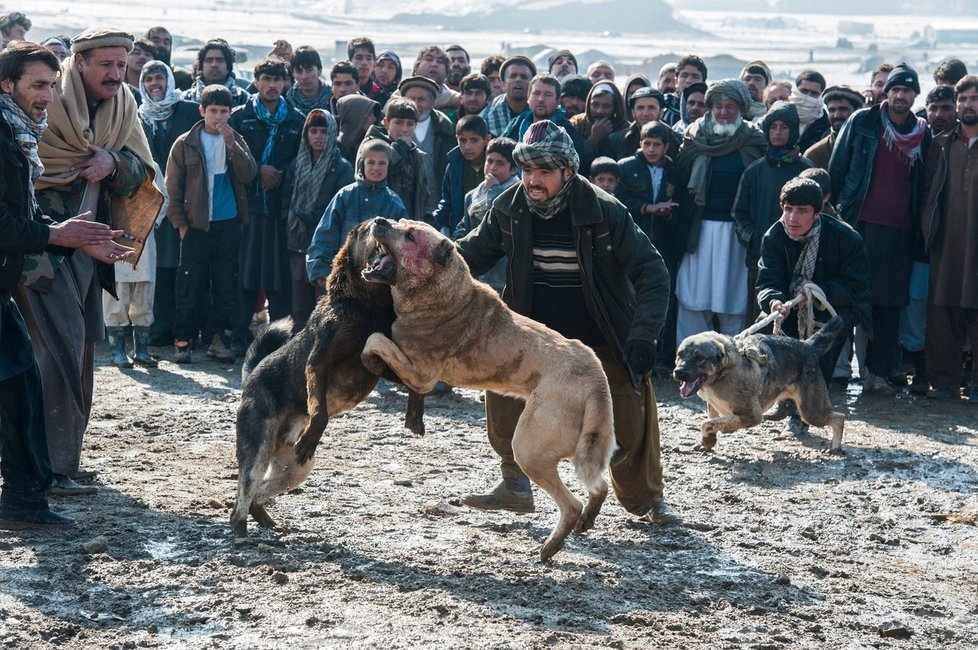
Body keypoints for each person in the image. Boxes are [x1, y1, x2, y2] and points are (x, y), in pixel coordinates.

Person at [455, 120, 679, 526]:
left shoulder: (605, 212)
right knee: (503, 402)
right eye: (527, 171)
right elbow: (468, 256)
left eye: (543, 171)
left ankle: (647, 502)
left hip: (602, 335)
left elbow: (652, 272)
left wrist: (644, 334)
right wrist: (424, 258)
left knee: (628, 421)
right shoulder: (508, 208)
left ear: (568, 172)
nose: (533, 180)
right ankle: (515, 484)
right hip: (532, 336)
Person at [20, 28, 163, 494]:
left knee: (79, 348)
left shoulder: (122, 107)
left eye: (122, 65)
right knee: (53, 351)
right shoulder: (46, 105)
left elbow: (144, 168)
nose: (116, 74)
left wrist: (113, 165)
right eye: (106, 64)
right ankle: (46, 467)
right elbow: (25, 178)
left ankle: (64, 460)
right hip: (41, 254)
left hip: (90, 251)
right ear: (79, 62)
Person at [0, 41, 133, 528]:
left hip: (11, 277)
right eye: (37, 86)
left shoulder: (18, 134)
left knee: (21, 386)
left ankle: (24, 501)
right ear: (5, 84)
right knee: (24, 382)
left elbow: (20, 216)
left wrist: (75, 241)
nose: (47, 98)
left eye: (52, 87)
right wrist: (58, 234)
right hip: (16, 276)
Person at [829, 62, 930, 395]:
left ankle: (878, 374)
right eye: (896, 89)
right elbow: (838, 169)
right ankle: (834, 370)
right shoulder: (863, 121)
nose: (901, 96)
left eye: (907, 90)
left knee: (888, 306)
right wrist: (837, 217)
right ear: (886, 93)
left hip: (901, 230)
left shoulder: (922, 131)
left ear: (916, 95)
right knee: (848, 298)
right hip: (859, 224)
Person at [166, 85, 257, 363]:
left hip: (228, 224)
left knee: (224, 285)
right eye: (213, 111)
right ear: (202, 111)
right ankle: (183, 341)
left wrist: (232, 145)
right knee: (189, 284)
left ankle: (219, 339)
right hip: (195, 226)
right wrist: (181, 224)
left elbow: (249, 174)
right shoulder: (185, 142)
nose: (218, 117)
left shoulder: (236, 138)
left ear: (230, 113)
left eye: (224, 112)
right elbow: (173, 188)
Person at [674, 79, 766, 342]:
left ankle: (735, 364)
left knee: (734, 300)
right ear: (710, 108)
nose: (724, 112)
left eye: (730, 106)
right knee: (693, 298)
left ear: (741, 108)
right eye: (718, 106)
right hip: (698, 231)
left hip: (737, 236)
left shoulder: (754, 140)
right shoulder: (694, 137)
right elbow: (680, 180)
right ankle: (689, 358)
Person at [756, 178, 870, 382]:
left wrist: (819, 290)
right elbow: (767, 282)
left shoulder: (846, 239)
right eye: (788, 209)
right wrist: (774, 301)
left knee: (825, 336)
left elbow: (857, 287)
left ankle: (815, 398)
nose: (792, 218)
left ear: (817, 213)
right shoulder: (773, 237)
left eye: (802, 210)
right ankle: (778, 394)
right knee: (763, 332)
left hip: (833, 307)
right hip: (787, 305)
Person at [229, 57, 304, 351]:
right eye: (266, 79)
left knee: (280, 278)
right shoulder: (240, 118)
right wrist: (259, 169)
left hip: (282, 209)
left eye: (278, 79)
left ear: (286, 83)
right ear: (257, 81)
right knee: (246, 274)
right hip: (247, 207)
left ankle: (280, 342)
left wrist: (279, 172)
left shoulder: (296, 119)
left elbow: (301, 158)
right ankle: (238, 338)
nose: (272, 85)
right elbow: (232, 155)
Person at [921, 75, 978, 400]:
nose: (968, 105)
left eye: (974, 98)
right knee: (942, 313)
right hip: (947, 243)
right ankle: (944, 382)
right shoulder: (942, 144)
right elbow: (926, 192)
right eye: (963, 99)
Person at [733, 101, 813, 324]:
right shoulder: (754, 170)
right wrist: (754, 238)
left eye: (784, 127)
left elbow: (819, 214)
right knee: (759, 317)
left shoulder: (805, 169)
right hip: (760, 258)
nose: (777, 133)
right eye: (773, 127)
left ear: (794, 130)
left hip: (799, 257)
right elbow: (739, 213)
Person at [615, 120, 685, 370]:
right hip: (632, 240)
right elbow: (619, 200)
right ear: (640, 143)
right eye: (647, 143)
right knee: (629, 296)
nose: (651, 149)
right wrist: (647, 208)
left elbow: (681, 208)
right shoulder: (626, 167)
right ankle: (626, 353)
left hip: (663, 243)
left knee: (661, 297)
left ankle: (660, 358)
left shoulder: (675, 171)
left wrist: (668, 213)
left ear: (666, 146)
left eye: (657, 144)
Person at [281, 109, 354, 329]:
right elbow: (285, 202)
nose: (318, 136)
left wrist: (314, 220)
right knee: (299, 304)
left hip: (325, 246)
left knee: (323, 302)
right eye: (313, 131)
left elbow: (341, 211)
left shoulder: (341, 167)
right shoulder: (296, 164)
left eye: (324, 131)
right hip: (297, 243)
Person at [305, 139, 407, 286]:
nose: (376, 168)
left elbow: (402, 244)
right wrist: (320, 270)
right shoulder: (344, 196)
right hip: (345, 276)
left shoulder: (394, 202)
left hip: (381, 281)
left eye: (382, 163)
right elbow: (325, 235)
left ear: (389, 166)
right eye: (371, 162)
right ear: (361, 164)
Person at [501, 74, 593, 174]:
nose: (541, 99)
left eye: (548, 94)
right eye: (536, 93)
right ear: (528, 97)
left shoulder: (567, 132)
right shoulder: (516, 124)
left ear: (558, 100)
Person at [362, 98, 429, 221]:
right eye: (399, 123)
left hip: (406, 223)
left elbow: (422, 194)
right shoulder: (371, 146)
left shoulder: (415, 154)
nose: (404, 129)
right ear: (386, 123)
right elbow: (371, 178)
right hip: (378, 220)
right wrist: (399, 148)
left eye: (410, 124)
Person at [400, 75, 455, 217]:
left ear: (432, 102)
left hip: (438, 209)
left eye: (422, 99)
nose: (416, 104)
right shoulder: (394, 129)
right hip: (404, 208)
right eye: (411, 99)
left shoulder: (446, 129)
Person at [432, 114, 491, 237]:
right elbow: (447, 203)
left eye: (474, 140)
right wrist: (430, 222)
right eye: (462, 140)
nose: (467, 147)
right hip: (461, 234)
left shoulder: (496, 165)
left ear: (486, 140)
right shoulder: (454, 166)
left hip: (490, 234)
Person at [803, 85, 863, 169]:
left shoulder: (869, 147)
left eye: (843, 109)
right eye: (832, 110)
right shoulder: (815, 154)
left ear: (856, 111)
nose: (836, 115)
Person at [569, 80, 628, 160]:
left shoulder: (625, 129)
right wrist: (593, 139)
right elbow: (572, 160)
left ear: (615, 108)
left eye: (606, 106)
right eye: (595, 105)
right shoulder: (576, 124)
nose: (599, 111)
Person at [183, 39, 249, 107]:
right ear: (201, 66)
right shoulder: (185, 99)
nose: (214, 65)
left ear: (228, 67)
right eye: (209, 60)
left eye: (220, 60)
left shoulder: (244, 100)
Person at [480, 56, 535, 136]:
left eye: (524, 77)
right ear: (503, 83)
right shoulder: (486, 117)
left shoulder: (541, 112)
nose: (518, 80)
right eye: (512, 76)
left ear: (532, 84)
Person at [790, 70, 831, 153]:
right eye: (804, 91)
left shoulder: (827, 126)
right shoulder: (781, 117)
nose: (808, 96)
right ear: (796, 91)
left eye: (814, 93)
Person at [661, 54, 707, 126]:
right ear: (676, 81)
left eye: (695, 76)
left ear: (703, 83)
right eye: (684, 76)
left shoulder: (708, 110)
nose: (689, 80)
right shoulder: (663, 106)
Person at [412, 45, 460, 112]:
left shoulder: (456, 98)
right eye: (429, 59)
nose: (434, 64)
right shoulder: (400, 94)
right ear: (417, 66)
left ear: (447, 71)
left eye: (440, 61)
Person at [336, 93, 379, 164]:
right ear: (356, 116)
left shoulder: (374, 143)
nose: (374, 119)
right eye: (369, 114)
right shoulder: (336, 150)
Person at [286, 46, 331, 115]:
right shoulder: (289, 100)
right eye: (299, 71)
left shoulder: (331, 96)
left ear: (319, 70)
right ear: (293, 73)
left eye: (309, 70)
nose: (304, 77)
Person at [348, 36, 385, 102]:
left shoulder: (381, 96)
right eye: (359, 58)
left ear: (374, 64)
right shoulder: (342, 91)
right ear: (350, 62)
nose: (364, 63)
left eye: (369, 58)